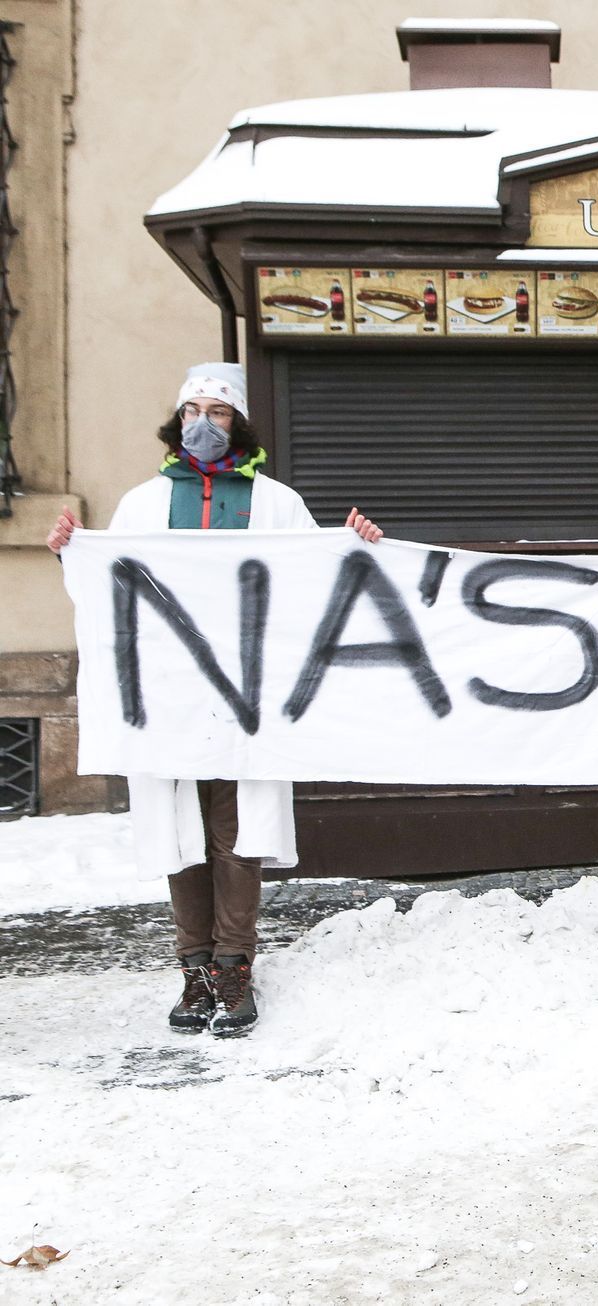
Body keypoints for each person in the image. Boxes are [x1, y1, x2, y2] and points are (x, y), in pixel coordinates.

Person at [45, 362, 383, 1036]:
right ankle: (193, 971)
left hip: (245, 699)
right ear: (177, 423)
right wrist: (69, 554)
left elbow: (317, 585)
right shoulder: (142, 504)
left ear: (238, 424)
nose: (205, 423)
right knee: (180, 834)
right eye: (194, 410)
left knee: (237, 834)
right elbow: (113, 591)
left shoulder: (276, 503)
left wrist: (357, 549)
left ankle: (235, 969)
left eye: (219, 412)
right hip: (166, 699)